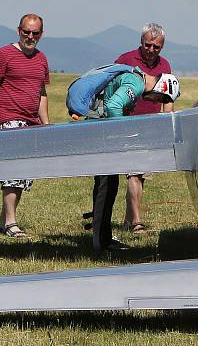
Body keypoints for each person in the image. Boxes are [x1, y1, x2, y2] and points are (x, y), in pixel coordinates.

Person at [68, 66, 180, 251]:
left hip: (100, 132)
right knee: (107, 184)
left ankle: (103, 236)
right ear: (160, 88)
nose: (156, 101)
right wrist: (120, 137)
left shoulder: (134, 80)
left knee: (108, 185)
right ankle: (101, 242)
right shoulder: (135, 84)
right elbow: (113, 105)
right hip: (102, 136)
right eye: (160, 98)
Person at [0, 13, 50, 238]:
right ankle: (11, 223)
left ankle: (4, 220)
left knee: (24, 175)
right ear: (18, 31)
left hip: (31, 122)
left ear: (41, 34)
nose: (30, 36)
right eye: (26, 32)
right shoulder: (3, 55)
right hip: (9, 119)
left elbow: (41, 92)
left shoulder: (42, 59)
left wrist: (46, 124)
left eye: (35, 33)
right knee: (13, 171)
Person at [114, 22, 173, 234]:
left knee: (140, 176)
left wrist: (167, 120)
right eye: (148, 45)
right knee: (133, 173)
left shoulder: (164, 65)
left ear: (162, 47)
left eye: (156, 47)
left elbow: (168, 98)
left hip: (151, 127)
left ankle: (129, 219)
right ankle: (137, 222)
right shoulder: (126, 60)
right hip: (127, 124)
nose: (151, 50)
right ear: (141, 42)